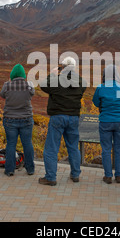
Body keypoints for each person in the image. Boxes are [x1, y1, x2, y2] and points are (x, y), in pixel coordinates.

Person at [38, 57, 86, 186]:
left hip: (58, 117)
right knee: (73, 147)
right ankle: (75, 174)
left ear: (62, 67)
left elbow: (43, 85)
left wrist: (52, 74)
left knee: (51, 148)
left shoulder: (57, 80)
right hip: (74, 117)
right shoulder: (81, 82)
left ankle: (51, 177)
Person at [92, 64, 120, 184]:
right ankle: (119, 175)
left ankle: (108, 176)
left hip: (105, 121)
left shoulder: (101, 88)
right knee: (119, 149)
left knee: (106, 149)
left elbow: (95, 102)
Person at [0, 64, 35, 176]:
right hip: (26, 119)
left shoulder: (7, 85)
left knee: (11, 144)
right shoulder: (29, 85)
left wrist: (9, 81)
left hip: (10, 119)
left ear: (12, 74)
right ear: (23, 75)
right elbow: (32, 93)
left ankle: (9, 170)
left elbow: (2, 95)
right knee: (27, 143)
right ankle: (30, 169)